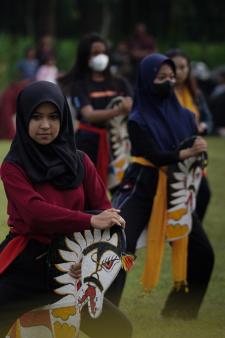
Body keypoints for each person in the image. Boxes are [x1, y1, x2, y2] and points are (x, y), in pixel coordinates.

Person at [0, 81, 132, 338]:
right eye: (37, 117)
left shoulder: (81, 162)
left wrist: (87, 261)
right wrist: (88, 221)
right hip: (26, 266)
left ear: (63, 119)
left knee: (119, 329)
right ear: (23, 119)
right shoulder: (13, 166)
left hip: (71, 266)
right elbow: (35, 213)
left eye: (53, 117)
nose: (46, 125)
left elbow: (105, 212)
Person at [105, 54, 214, 320]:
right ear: (145, 80)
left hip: (176, 190)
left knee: (203, 253)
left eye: (171, 77)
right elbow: (154, 155)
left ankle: (180, 310)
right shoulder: (138, 118)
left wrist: (193, 153)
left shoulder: (187, 115)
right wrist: (187, 153)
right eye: (160, 78)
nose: (168, 82)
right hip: (143, 187)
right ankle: (104, 313)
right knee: (118, 244)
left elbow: (191, 150)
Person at [59, 33, 133, 190]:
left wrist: (129, 107)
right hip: (88, 145)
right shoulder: (80, 85)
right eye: (95, 53)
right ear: (85, 55)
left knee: (122, 190)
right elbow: (89, 114)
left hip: (116, 145)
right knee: (87, 191)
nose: (101, 57)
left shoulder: (120, 83)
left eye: (104, 52)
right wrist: (120, 110)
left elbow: (134, 108)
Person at [166, 49, 213, 222]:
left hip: (194, 155)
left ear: (188, 69)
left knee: (204, 194)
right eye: (173, 67)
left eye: (182, 67)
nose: (178, 72)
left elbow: (208, 118)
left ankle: (193, 227)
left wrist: (203, 127)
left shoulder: (195, 93)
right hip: (170, 154)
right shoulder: (163, 94)